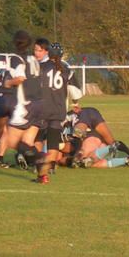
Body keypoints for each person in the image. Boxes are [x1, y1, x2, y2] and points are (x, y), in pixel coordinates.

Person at [0, 31, 43, 170]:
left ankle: (43, 160)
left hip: (25, 104)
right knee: (27, 140)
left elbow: (20, 78)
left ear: (15, 42)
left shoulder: (16, 58)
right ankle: (36, 166)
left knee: (11, 137)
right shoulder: (33, 58)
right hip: (39, 103)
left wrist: (7, 83)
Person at [34, 42, 83, 183]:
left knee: (38, 140)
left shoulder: (40, 68)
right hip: (58, 112)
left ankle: (38, 167)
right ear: (61, 55)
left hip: (40, 110)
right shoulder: (67, 70)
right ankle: (46, 172)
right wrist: (75, 102)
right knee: (53, 145)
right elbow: (76, 93)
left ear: (48, 53)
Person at [64, 106, 129, 166]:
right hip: (90, 114)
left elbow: (69, 146)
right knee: (89, 161)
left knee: (79, 133)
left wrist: (77, 154)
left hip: (83, 115)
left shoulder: (57, 135)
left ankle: (112, 149)